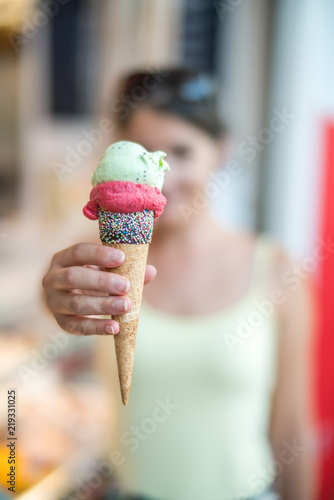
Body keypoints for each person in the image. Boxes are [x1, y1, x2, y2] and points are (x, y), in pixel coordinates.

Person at [42, 70, 317, 500]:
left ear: (220, 151)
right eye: (145, 155)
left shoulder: (277, 271)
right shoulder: (104, 266)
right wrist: (54, 297)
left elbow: (293, 429)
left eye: (182, 152)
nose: (163, 178)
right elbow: (56, 305)